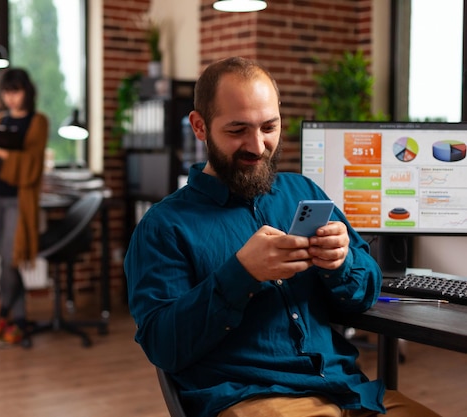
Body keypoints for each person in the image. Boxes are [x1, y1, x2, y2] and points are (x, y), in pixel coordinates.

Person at [124, 57, 441, 417]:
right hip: (253, 399)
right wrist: (241, 273)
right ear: (199, 126)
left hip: (350, 392)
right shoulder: (163, 226)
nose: (257, 146)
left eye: (268, 127)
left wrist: (342, 263)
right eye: (237, 130)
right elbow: (163, 345)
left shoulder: (302, 191)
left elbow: (366, 291)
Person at [0, 68, 49, 348]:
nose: (11, 98)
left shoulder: (38, 121)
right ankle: (19, 319)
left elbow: (31, 166)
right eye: (6, 92)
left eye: (15, 91)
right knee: (5, 259)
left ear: (26, 91)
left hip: (19, 199)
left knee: (11, 258)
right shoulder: (0, 119)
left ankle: (3, 309)